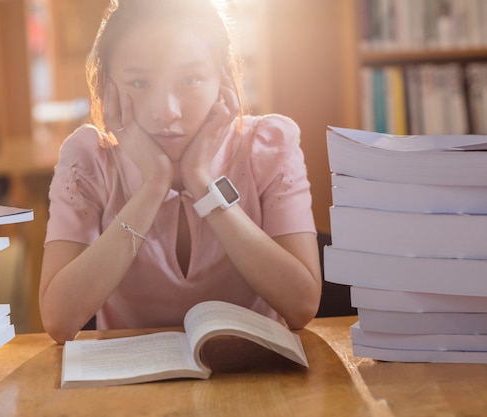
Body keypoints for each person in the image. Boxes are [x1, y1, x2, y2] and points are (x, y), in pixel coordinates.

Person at [39, 0, 321, 343]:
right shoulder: (87, 158)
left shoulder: (269, 145)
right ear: (107, 86)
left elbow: (302, 305)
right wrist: (153, 186)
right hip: (128, 389)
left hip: (255, 384)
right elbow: (58, 320)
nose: (167, 112)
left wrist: (202, 181)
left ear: (222, 78)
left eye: (190, 79)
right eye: (140, 83)